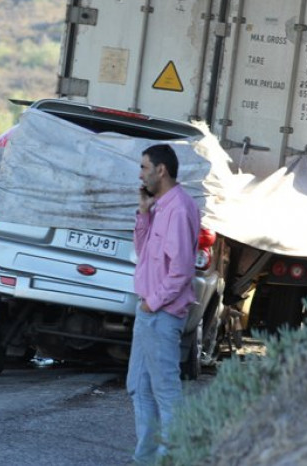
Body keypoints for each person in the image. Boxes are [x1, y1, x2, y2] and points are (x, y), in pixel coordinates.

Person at [128, 144, 201, 464]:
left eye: (144, 167)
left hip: (161, 313)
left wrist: (152, 304)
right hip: (148, 312)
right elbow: (144, 253)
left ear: (161, 170)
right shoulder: (159, 207)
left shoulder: (180, 209)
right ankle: (146, 459)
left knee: (166, 394)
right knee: (139, 389)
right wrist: (144, 213)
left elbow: (182, 270)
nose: (140, 173)